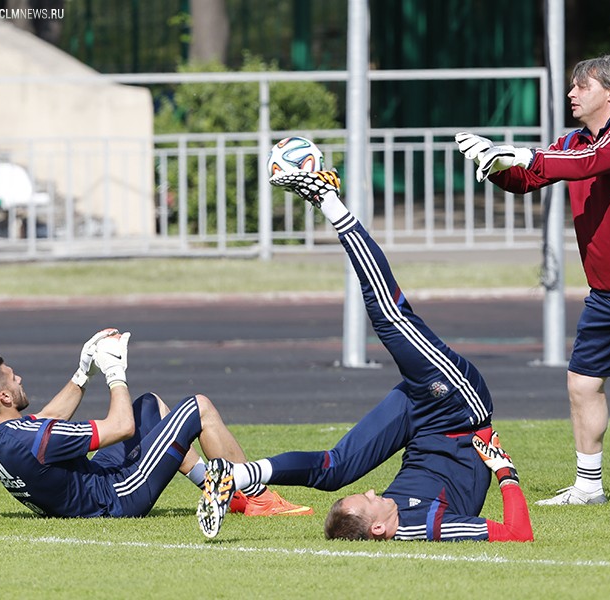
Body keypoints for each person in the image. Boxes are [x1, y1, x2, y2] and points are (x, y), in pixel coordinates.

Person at [196, 169, 534, 542]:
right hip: (459, 406)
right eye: (370, 500)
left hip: (419, 420)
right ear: (378, 528)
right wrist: (505, 472)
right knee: (389, 316)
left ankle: (237, 475)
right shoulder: (424, 525)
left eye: (369, 494)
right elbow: (518, 534)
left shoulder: (382, 516)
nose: (376, 491)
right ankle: (327, 199)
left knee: (334, 470)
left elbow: (354, 496)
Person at [456, 54, 610, 510]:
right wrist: (493, 164)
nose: (572, 94)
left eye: (581, 86)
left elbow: (586, 163)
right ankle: (588, 487)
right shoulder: (572, 140)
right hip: (605, 289)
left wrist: (527, 153)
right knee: (582, 383)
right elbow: (531, 177)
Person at [0, 329, 311, 519]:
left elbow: (45, 422)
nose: (20, 379)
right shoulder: (36, 440)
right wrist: (114, 372)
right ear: (4, 398)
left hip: (88, 487)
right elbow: (122, 427)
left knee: (149, 407)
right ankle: (256, 497)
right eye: (14, 380)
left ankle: (221, 491)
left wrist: (83, 373)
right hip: (116, 496)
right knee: (199, 407)